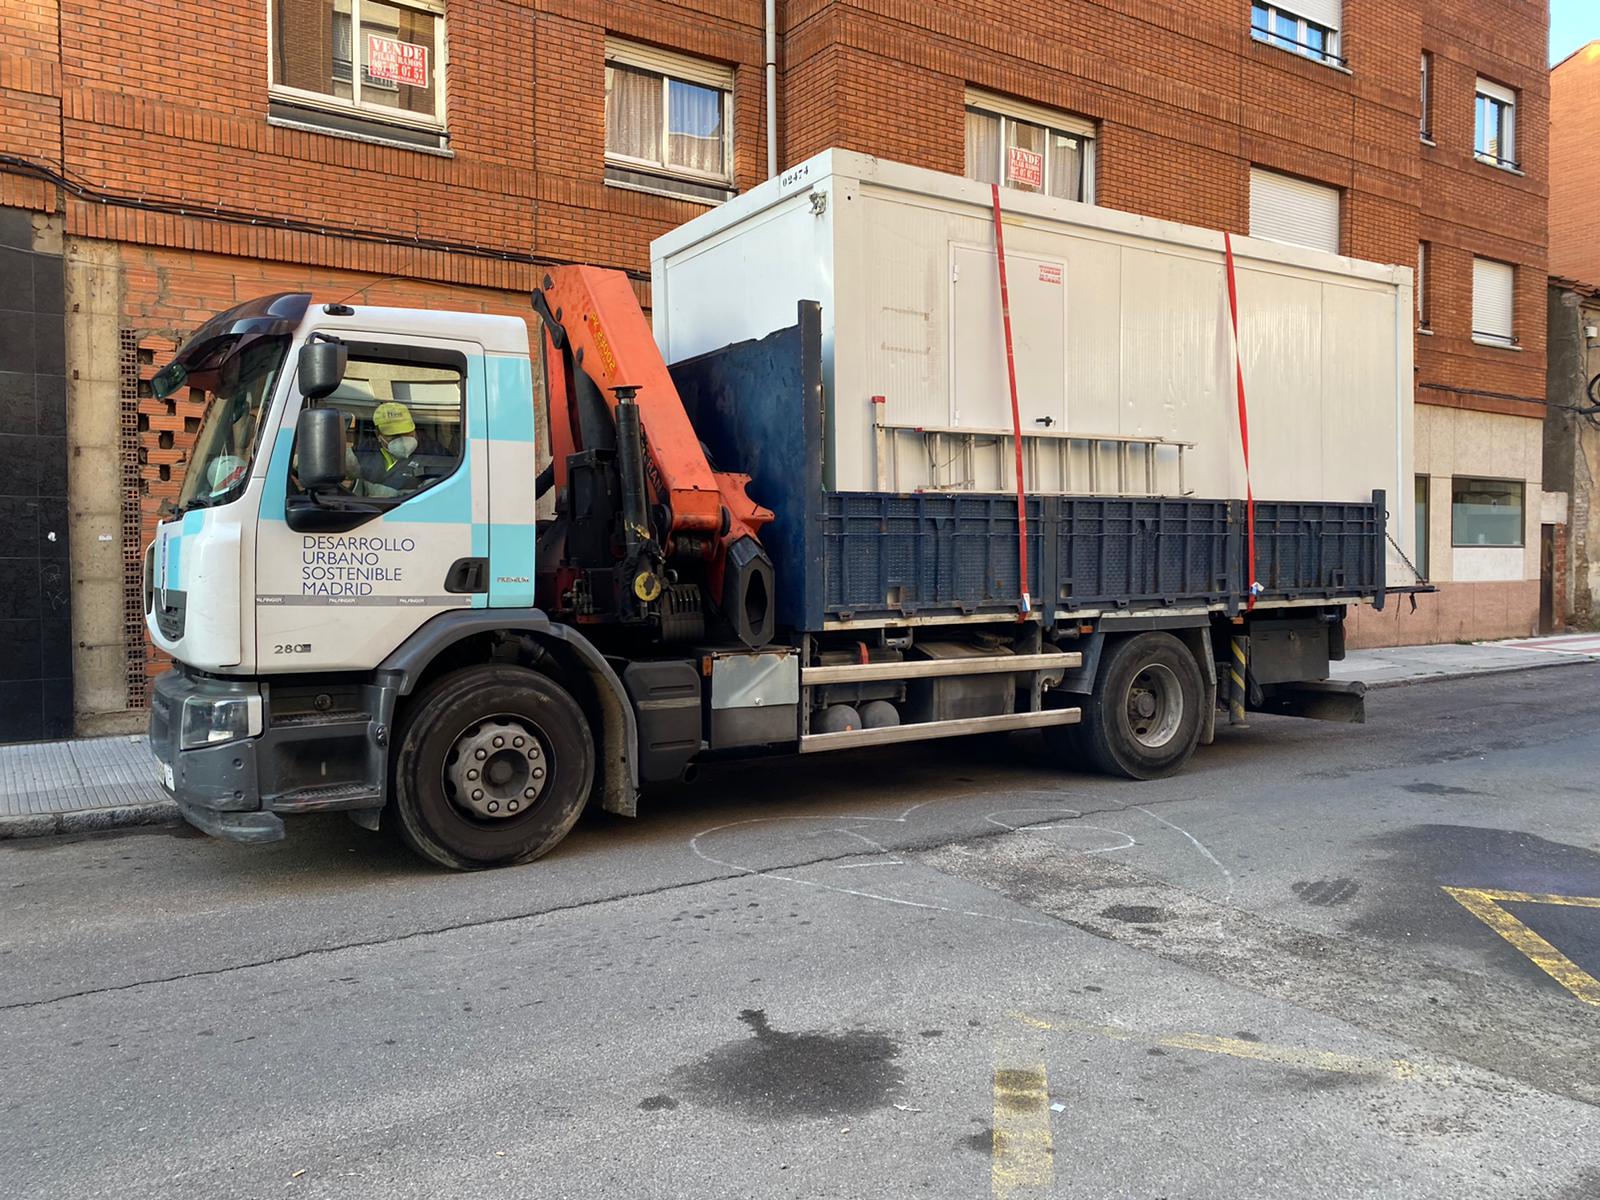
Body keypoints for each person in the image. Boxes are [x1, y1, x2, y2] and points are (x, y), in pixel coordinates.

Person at [350, 401, 429, 499]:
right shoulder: (364, 452)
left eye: (406, 432)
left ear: (414, 429)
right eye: (393, 435)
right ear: (378, 435)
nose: (402, 440)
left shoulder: (434, 453)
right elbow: (334, 466)